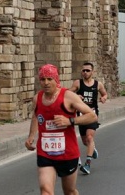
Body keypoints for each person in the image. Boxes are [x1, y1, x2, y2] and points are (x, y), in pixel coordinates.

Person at [25, 64, 98, 194]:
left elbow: (92, 116)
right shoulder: (37, 98)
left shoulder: (68, 96)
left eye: (49, 79)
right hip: (45, 152)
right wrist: (31, 136)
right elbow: (36, 116)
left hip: (67, 154)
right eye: (42, 79)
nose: (46, 83)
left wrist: (70, 121)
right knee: (45, 190)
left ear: (56, 79)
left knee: (69, 191)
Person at [68, 62, 108, 175]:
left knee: (90, 137)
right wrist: (76, 96)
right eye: (83, 70)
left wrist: (104, 98)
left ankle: (87, 164)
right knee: (85, 141)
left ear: (92, 72)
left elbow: (104, 94)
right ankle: (92, 148)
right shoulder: (78, 83)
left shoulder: (98, 84)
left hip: (92, 114)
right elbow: (67, 93)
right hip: (81, 115)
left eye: (87, 70)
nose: (85, 72)